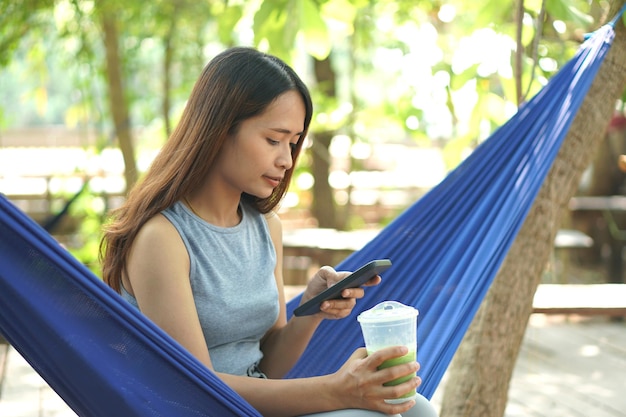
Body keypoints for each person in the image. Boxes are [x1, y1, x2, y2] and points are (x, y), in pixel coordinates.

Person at [100, 47, 438, 417]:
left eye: (293, 143)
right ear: (219, 130)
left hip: (255, 408)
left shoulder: (265, 227)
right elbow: (194, 385)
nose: (287, 160)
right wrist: (339, 390)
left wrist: (311, 311)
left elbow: (268, 366)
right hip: (198, 410)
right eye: (273, 139)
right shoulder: (161, 238)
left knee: (413, 407)